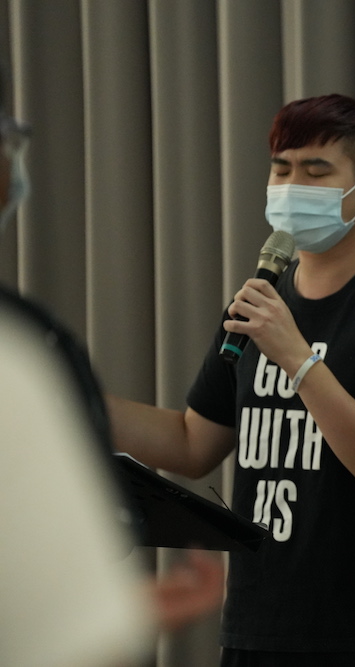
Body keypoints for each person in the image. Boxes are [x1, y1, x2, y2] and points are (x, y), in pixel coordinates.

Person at [109, 92, 355, 666]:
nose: (292, 186)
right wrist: (68, 396)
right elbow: (192, 443)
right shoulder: (262, 302)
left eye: (316, 171)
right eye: (282, 169)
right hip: (256, 625)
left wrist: (298, 360)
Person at [0, 88, 223, 665]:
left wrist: (89, 615)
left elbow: (190, 445)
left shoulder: (28, 350)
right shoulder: (15, 349)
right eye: (9, 140)